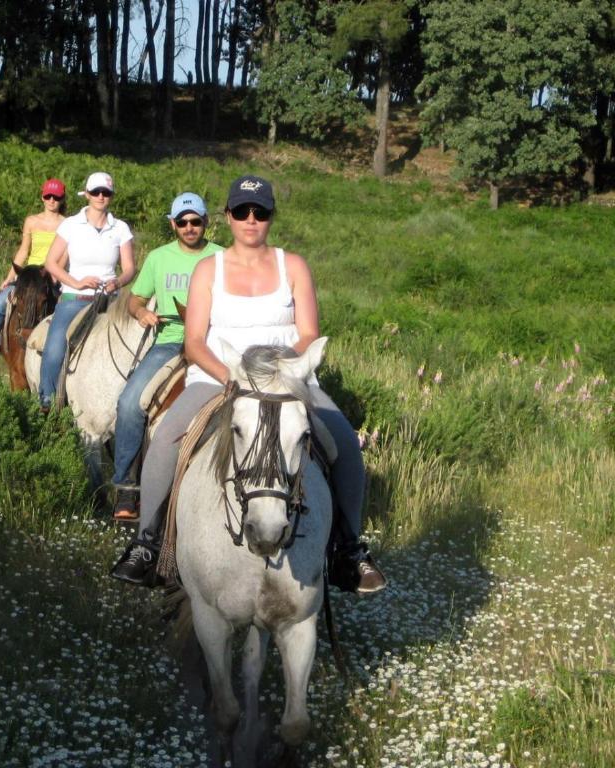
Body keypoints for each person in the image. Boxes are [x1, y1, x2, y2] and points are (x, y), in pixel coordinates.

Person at [111, 174, 387, 594]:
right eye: (242, 211)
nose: (251, 219)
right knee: (168, 438)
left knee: (345, 443)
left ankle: (349, 550)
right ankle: (147, 542)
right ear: (228, 216)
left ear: (271, 217)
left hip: (286, 380)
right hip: (219, 378)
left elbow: (309, 333)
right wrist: (234, 379)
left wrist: (277, 377)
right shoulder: (208, 269)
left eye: (261, 212)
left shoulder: (292, 265)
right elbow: (195, 341)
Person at [111, 192, 224, 521]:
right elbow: (135, 299)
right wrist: (142, 312)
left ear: (206, 223)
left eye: (196, 221)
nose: (189, 228)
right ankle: (127, 489)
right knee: (129, 402)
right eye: (182, 222)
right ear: (173, 224)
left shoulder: (222, 257)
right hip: (171, 340)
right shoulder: (159, 258)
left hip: (214, 342)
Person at [38, 171, 136, 410]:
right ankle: (46, 400)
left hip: (111, 298)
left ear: (111, 196)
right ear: (87, 195)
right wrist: (76, 282)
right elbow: (51, 263)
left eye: (106, 193)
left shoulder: (120, 228)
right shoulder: (71, 224)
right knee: (55, 346)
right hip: (76, 297)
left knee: (136, 342)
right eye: (96, 192)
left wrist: (118, 282)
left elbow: (130, 268)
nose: (101, 197)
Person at [0, 178, 66, 358]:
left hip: (54, 273)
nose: (51, 200)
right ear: (42, 197)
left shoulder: (67, 223)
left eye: (56, 197)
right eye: (48, 196)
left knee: (65, 306)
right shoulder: (31, 221)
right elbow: (23, 250)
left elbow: (66, 253)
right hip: (30, 274)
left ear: (62, 199)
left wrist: (56, 274)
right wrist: (10, 277)